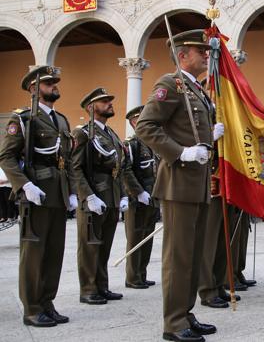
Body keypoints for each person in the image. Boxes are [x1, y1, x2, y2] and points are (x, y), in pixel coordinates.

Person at [135, 29, 217, 342]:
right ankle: (173, 322)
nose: (206, 55)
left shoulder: (197, 89)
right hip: (178, 182)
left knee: (193, 255)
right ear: (183, 55)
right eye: (200, 51)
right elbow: (146, 126)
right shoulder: (170, 84)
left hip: (197, 183)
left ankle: (185, 312)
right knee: (178, 256)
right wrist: (181, 152)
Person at [0, 66, 77, 327]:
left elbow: (67, 160)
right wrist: (23, 186)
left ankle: (47, 302)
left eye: (55, 82)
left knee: (54, 252)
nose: (54, 86)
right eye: (48, 83)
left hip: (58, 194)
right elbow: (7, 157)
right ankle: (32, 308)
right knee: (34, 253)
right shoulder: (22, 119)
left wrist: (73, 192)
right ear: (33, 89)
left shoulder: (62, 120)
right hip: (36, 194)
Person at [72, 88, 128, 305]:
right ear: (90, 107)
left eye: (109, 100)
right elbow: (75, 168)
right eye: (103, 101)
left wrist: (122, 195)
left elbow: (119, 168)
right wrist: (88, 197)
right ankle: (88, 289)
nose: (109, 104)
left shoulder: (111, 133)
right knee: (89, 246)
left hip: (111, 197)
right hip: (95, 197)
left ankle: (101, 286)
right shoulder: (83, 133)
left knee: (104, 246)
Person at [122, 106, 159, 289]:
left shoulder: (151, 142)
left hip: (152, 198)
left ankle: (141, 274)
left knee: (147, 236)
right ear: (134, 122)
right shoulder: (132, 143)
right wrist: (138, 192)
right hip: (137, 199)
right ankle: (132, 277)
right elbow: (126, 170)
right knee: (135, 237)